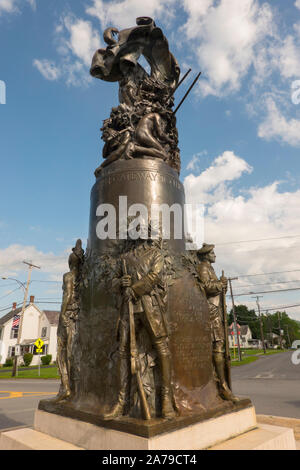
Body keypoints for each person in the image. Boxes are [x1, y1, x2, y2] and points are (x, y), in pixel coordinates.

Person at [104, 229, 176, 420]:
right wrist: (120, 282)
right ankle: (121, 402)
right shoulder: (123, 258)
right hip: (128, 309)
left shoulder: (155, 254)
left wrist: (134, 289)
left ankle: (166, 399)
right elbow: (112, 283)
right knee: (123, 352)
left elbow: (154, 277)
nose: (137, 236)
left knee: (162, 348)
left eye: (140, 232)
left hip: (150, 307)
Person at [196, 243, 239, 402]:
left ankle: (221, 384)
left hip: (217, 312)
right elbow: (206, 287)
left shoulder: (211, 269)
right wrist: (219, 285)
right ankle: (222, 385)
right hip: (211, 313)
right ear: (205, 255)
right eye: (212, 253)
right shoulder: (203, 268)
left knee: (220, 348)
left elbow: (217, 290)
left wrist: (223, 286)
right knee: (218, 348)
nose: (214, 255)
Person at [53, 240, 84, 402]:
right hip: (80, 317)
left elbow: (68, 295)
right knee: (75, 353)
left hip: (68, 316)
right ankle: (75, 389)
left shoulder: (68, 276)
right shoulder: (85, 277)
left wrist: (62, 314)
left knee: (62, 352)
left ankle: (66, 388)